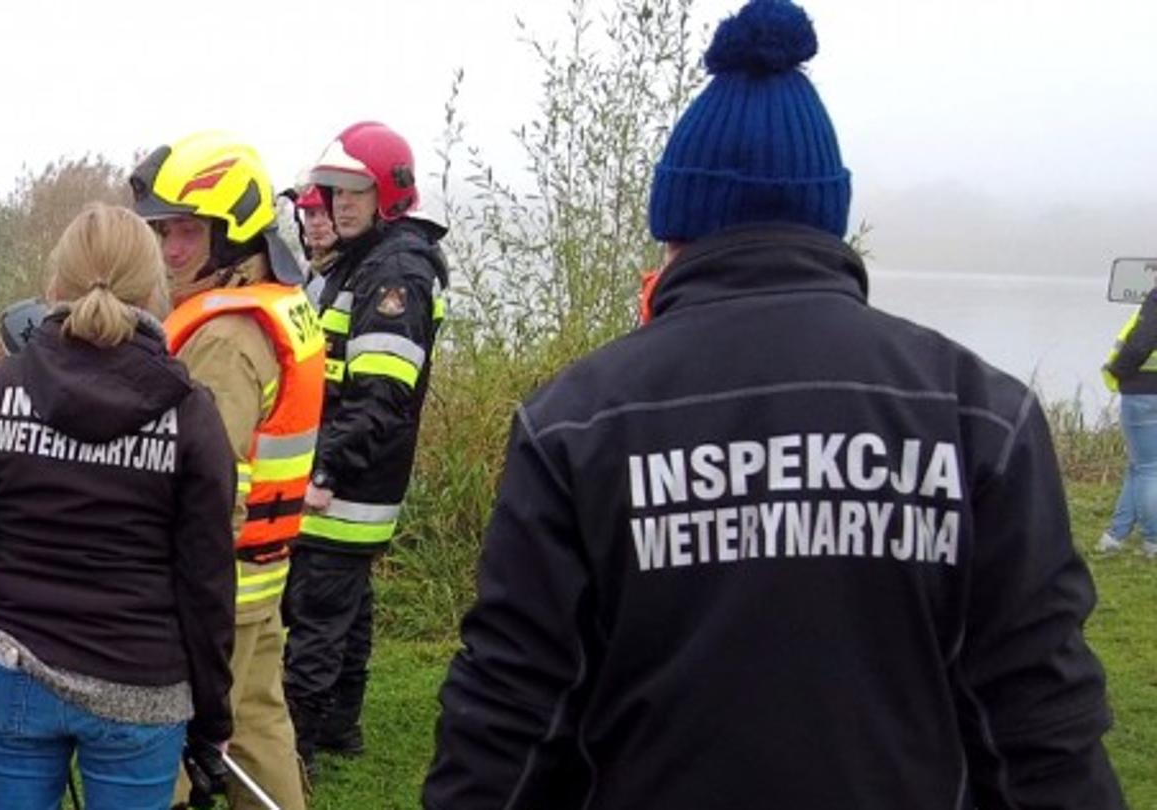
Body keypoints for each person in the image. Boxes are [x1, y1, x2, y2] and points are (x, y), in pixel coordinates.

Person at [423, 2, 1125, 808]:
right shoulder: (981, 415)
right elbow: (1038, 719)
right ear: (828, 219)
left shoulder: (578, 420)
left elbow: (512, 714)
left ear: (676, 229)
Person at [0, 203, 237, 810]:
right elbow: (207, 582)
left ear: (55, 283)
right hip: (142, 683)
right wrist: (213, 716)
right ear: (154, 290)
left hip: (15, 665)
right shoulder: (191, 413)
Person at [131, 131, 317, 809]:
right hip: (261, 575)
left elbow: (209, 482)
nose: (170, 250)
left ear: (233, 233)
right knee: (260, 727)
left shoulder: (223, 339)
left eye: (187, 231)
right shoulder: (275, 304)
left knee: (165, 744)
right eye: (163, 232)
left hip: (216, 585)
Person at [285, 120, 449, 771]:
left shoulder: (395, 270)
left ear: (389, 193)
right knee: (345, 609)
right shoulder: (370, 258)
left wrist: (325, 469)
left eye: (355, 192)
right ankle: (338, 729)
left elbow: (381, 394)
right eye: (334, 192)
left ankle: (291, 755)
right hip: (358, 479)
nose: (340, 205)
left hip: (345, 484)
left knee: (315, 619)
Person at [1100, 283, 1157, 555]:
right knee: (1140, 465)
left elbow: (1141, 342)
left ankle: (1153, 541)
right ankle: (1115, 535)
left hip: (1143, 391)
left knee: (1147, 469)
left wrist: (1118, 370)